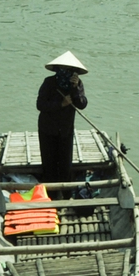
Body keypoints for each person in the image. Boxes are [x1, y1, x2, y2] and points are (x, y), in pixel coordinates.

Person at [35, 51, 89, 185]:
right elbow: (40, 104)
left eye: (70, 70)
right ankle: (50, 194)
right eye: (64, 69)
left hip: (66, 129)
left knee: (65, 164)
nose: (66, 72)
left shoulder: (77, 84)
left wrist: (75, 89)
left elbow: (82, 104)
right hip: (47, 128)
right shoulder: (49, 82)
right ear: (58, 69)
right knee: (49, 163)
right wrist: (61, 104)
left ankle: (66, 195)